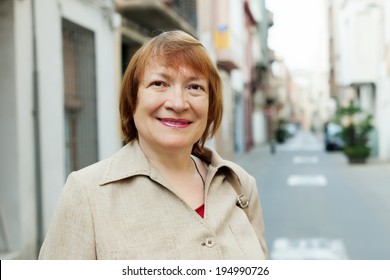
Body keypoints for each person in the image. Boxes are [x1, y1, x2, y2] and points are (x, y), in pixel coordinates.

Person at [39, 30, 268, 260]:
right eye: (159, 83)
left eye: (195, 87)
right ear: (132, 100)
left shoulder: (239, 185)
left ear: (210, 105)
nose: (178, 103)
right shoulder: (87, 194)